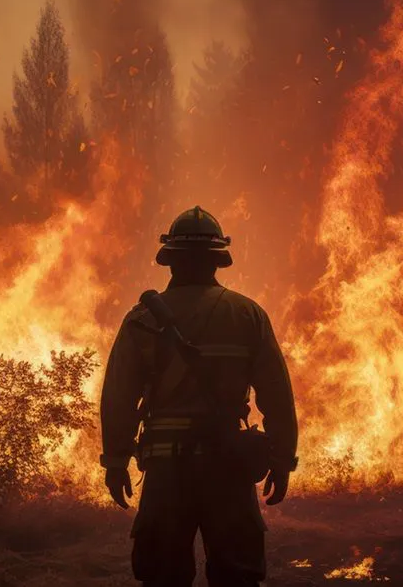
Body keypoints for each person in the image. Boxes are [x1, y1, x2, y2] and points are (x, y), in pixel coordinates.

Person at [100, 206, 298, 587]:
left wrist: (115, 461)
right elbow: (276, 395)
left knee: (162, 576)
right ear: (218, 260)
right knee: (238, 576)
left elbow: (118, 398)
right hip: (228, 467)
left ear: (169, 260)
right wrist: (282, 460)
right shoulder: (247, 315)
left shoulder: (142, 318)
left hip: (166, 472)